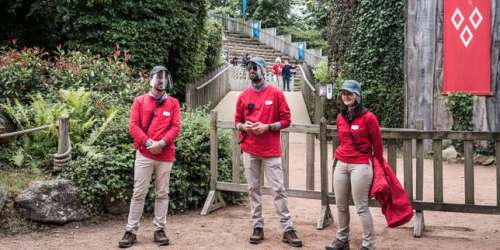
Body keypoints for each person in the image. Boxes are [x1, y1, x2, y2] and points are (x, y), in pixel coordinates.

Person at [235, 57, 303, 247]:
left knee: (278, 190)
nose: (251, 71)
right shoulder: (243, 96)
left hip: (271, 151)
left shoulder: (276, 93)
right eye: (249, 68)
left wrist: (268, 127)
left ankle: (287, 229)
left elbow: (286, 120)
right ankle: (257, 226)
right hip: (250, 149)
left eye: (255, 68)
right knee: (253, 190)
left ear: (264, 70)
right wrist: (244, 126)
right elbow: (237, 121)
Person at [119, 65, 182, 248]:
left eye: (164, 77)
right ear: (151, 79)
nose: (161, 80)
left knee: (162, 193)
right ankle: (131, 230)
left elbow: (176, 127)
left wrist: (161, 144)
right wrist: (148, 143)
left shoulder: (173, 103)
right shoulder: (139, 101)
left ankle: (159, 229)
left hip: (165, 155)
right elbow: (133, 126)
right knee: (139, 193)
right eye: (158, 76)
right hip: (144, 154)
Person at [325, 80, 383, 250]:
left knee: (361, 207)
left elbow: (377, 145)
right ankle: (342, 240)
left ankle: (368, 244)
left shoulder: (369, 118)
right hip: (341, 163)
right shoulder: (340, 117)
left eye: (349, 93)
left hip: (360, 165)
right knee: (341, 205)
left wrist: (377, 165)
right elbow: (342, 140)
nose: (346, 96)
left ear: (357, 96)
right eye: (343, 93)